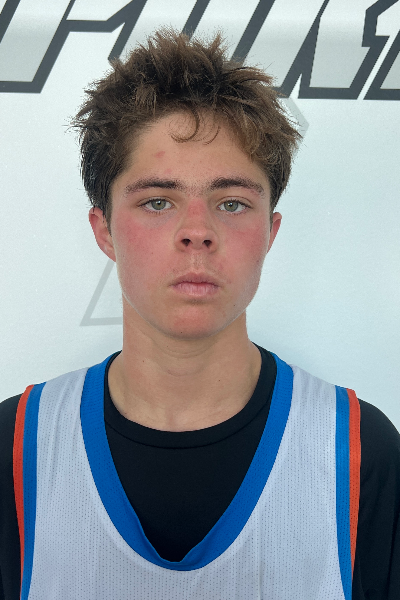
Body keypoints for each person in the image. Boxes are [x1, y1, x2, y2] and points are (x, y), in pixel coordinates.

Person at [0, 29, 399, 600]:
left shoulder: (360, 453)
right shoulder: (16, 448)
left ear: (270, 231)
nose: (197, 231)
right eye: (157, 201)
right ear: (104, 229)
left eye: (231, 202)